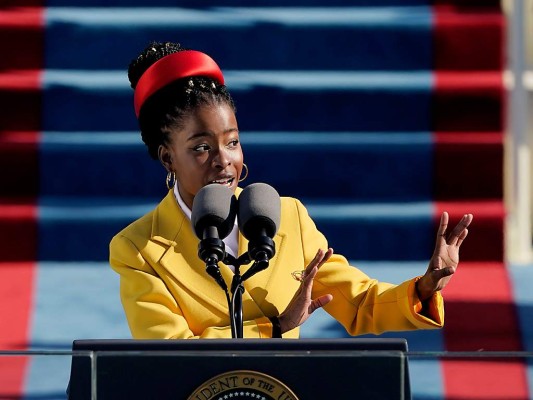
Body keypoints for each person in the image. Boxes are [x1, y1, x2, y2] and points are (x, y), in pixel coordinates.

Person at [109, 41, 473, 339]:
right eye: (202, 148)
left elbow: (359, 303)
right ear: (167, 158)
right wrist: (277, 328)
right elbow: (169, 355)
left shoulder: (286, 218)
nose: (224, 161)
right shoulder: (138, 249)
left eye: (232, 142)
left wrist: (424, 289)